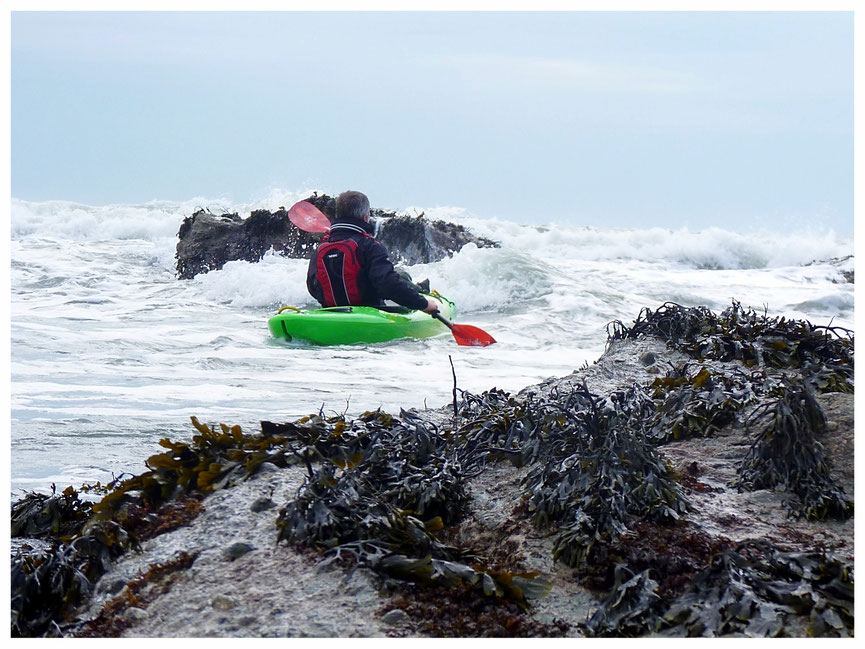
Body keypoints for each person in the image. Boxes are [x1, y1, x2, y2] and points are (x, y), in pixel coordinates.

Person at [306, 191, 439, 313]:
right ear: (365, 218)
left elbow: (312, 287)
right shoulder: (369, 245)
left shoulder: (321, 248)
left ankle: (417, 289)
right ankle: (421, 292)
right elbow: (388, 285)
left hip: (332, 313)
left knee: (399, 274)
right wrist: (424, 305)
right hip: (371, 313)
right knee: (400, 274)